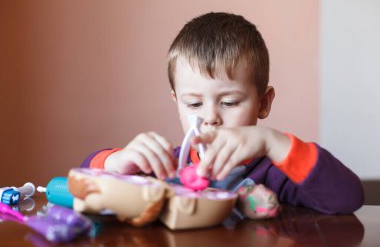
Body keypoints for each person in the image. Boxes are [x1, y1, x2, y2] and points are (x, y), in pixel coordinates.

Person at [81, 12, 364, 214]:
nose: (211, 117)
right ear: (176, 101)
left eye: (229, 103)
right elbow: (82, 178)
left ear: (263, 103)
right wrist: (118, 162)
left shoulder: (273, 171)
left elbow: (349, 197)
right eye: (193, 104)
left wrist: (273, 142)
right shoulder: (166, 167)